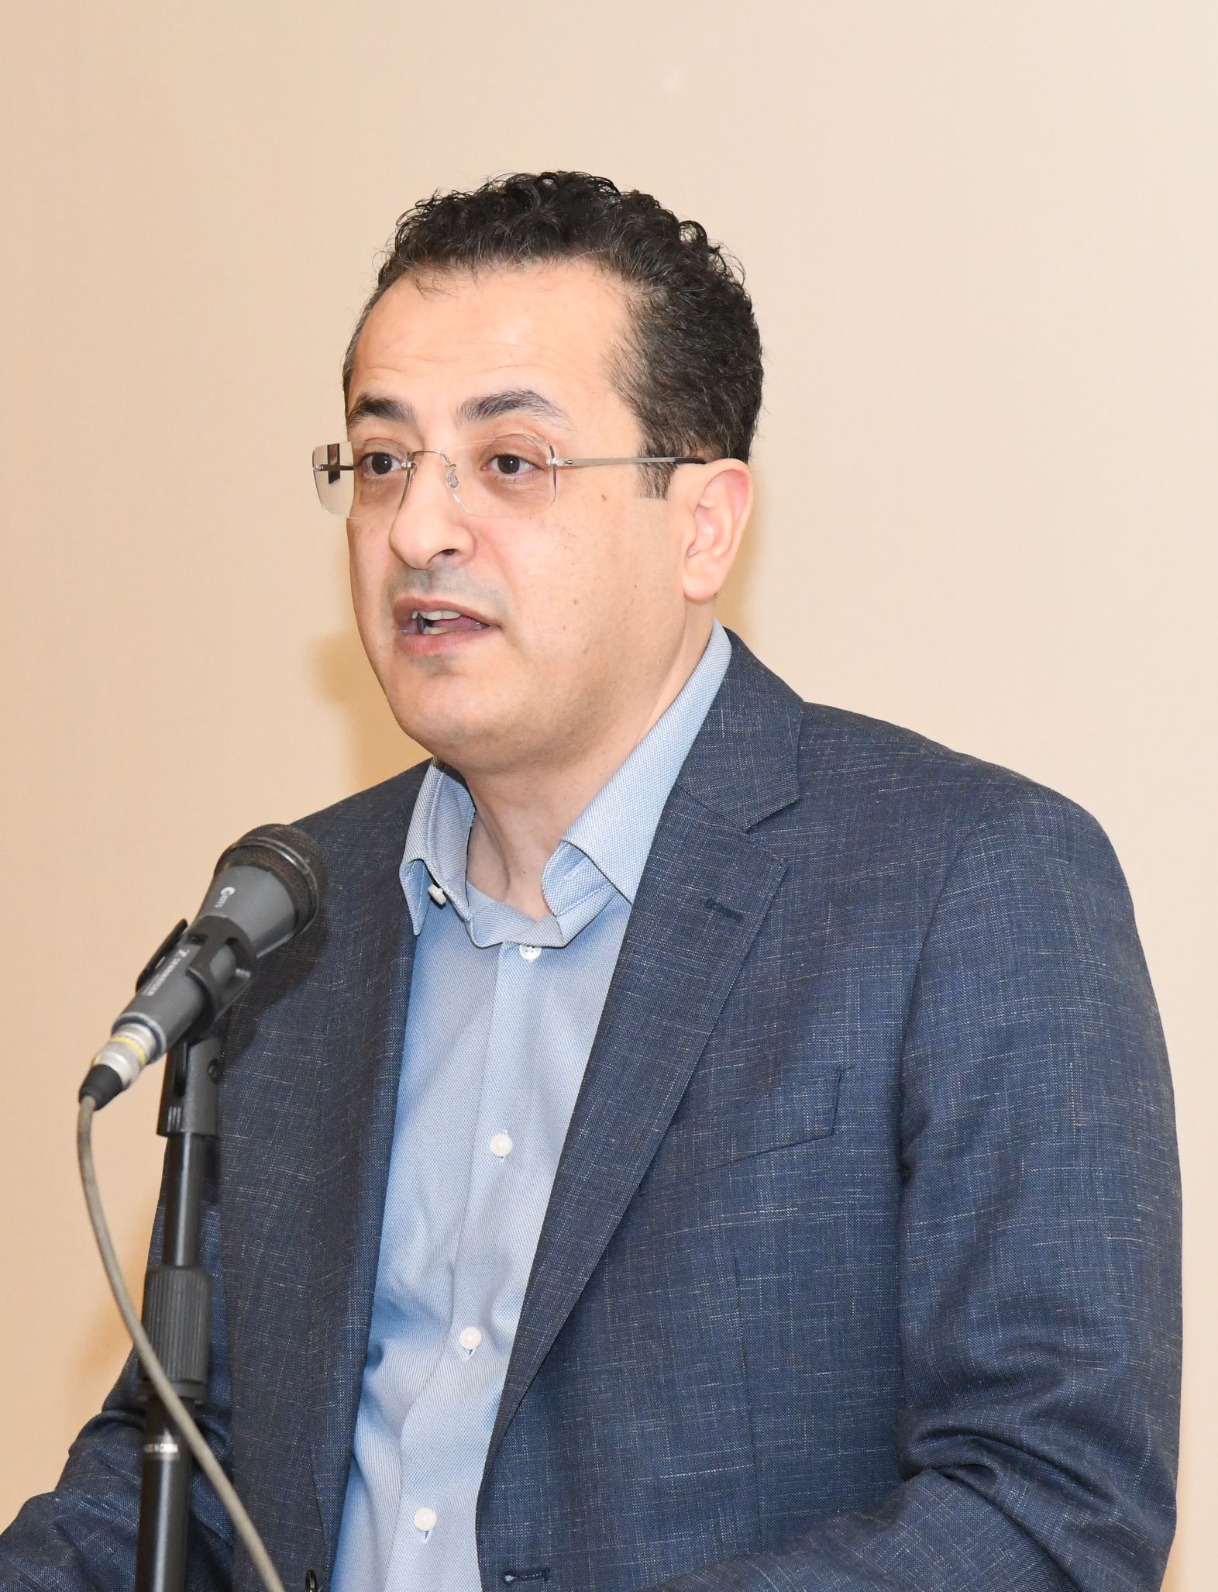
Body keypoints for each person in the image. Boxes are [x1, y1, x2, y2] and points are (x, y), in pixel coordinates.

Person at [0, 171, 1180, 1592]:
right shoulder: (295, 912)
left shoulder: (966, 885)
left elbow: (1051, 1507)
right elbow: (182, 1469)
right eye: (381, 461)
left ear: (703, 524)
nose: (419, 530)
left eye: (509, 462)